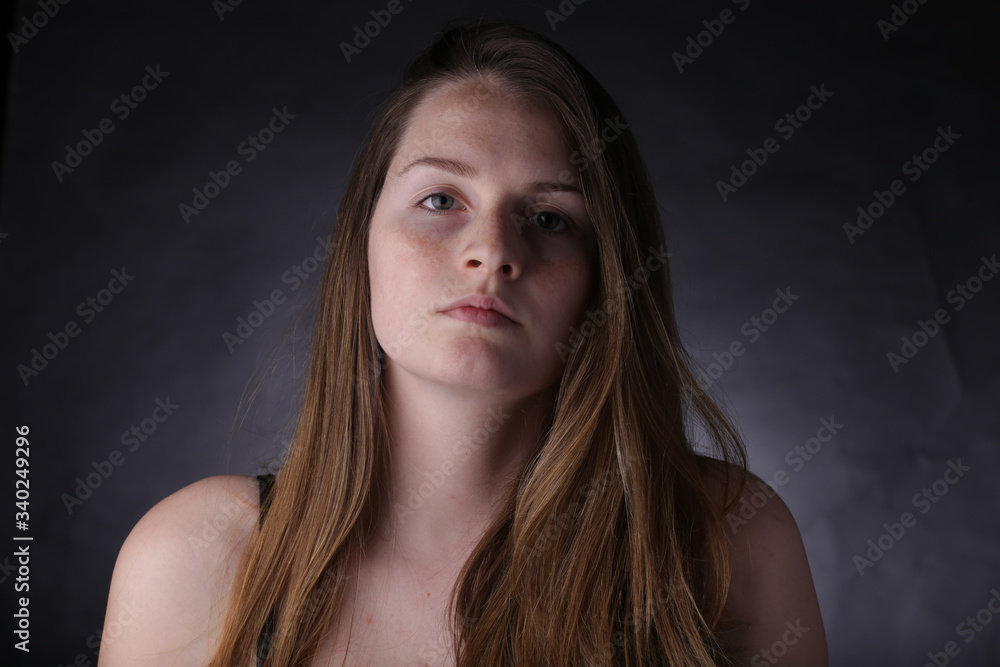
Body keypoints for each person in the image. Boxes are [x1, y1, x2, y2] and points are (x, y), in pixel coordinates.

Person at [99, 20, 827, 666]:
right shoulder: (195, 557)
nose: (491, 250)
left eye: (549, 218)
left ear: (607, 280)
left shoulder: (727, 539)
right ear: (362, 245)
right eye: (441, 200)